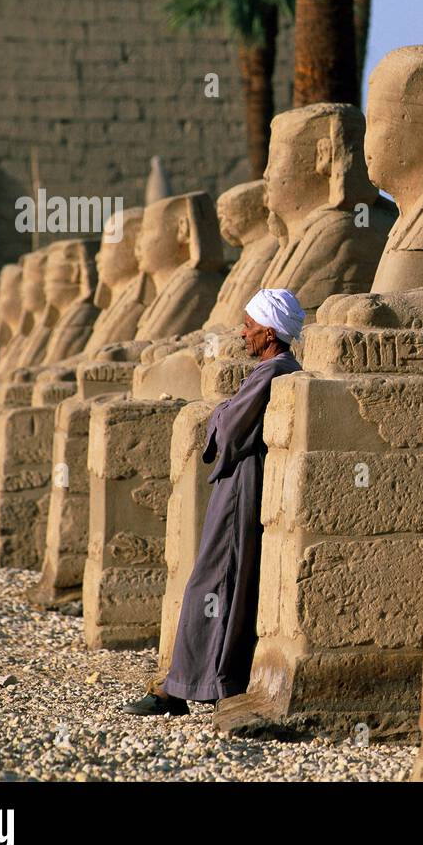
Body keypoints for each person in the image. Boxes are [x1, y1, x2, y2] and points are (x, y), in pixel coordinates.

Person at [121, 288, 304, 715]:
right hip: (238, 483)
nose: (243, 335)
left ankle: (184, 685)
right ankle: (199, 679)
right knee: (222, 581)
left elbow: (230, 430)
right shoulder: (274, 367)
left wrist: (221, 413)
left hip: (241, 486)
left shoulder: (272, 370)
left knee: (213, 580)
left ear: (270, 332)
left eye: (249, 326)